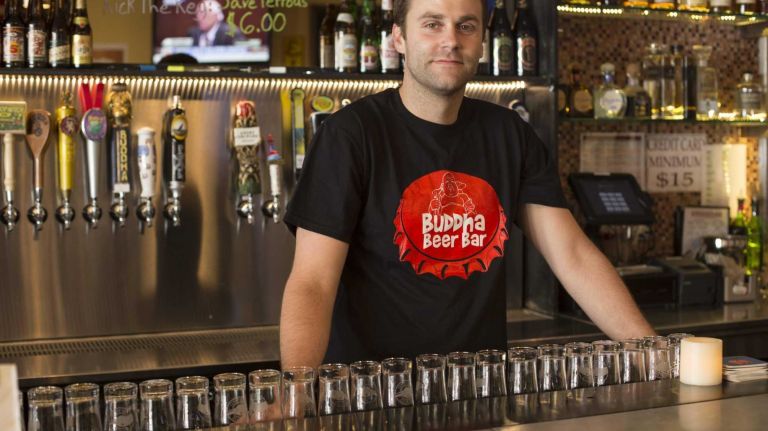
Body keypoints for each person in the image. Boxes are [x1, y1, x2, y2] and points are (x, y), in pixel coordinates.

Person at [280, 0, 655, 368]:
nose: (451, 40)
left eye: (466, 26)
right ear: (398, 39)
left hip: (475, 392)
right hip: (373, 395)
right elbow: (312, 282)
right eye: (432, 24)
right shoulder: (350, 136)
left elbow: (573, 255)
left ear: (481, 41)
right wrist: (295, 392)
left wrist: (652, 351)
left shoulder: (510, 135)